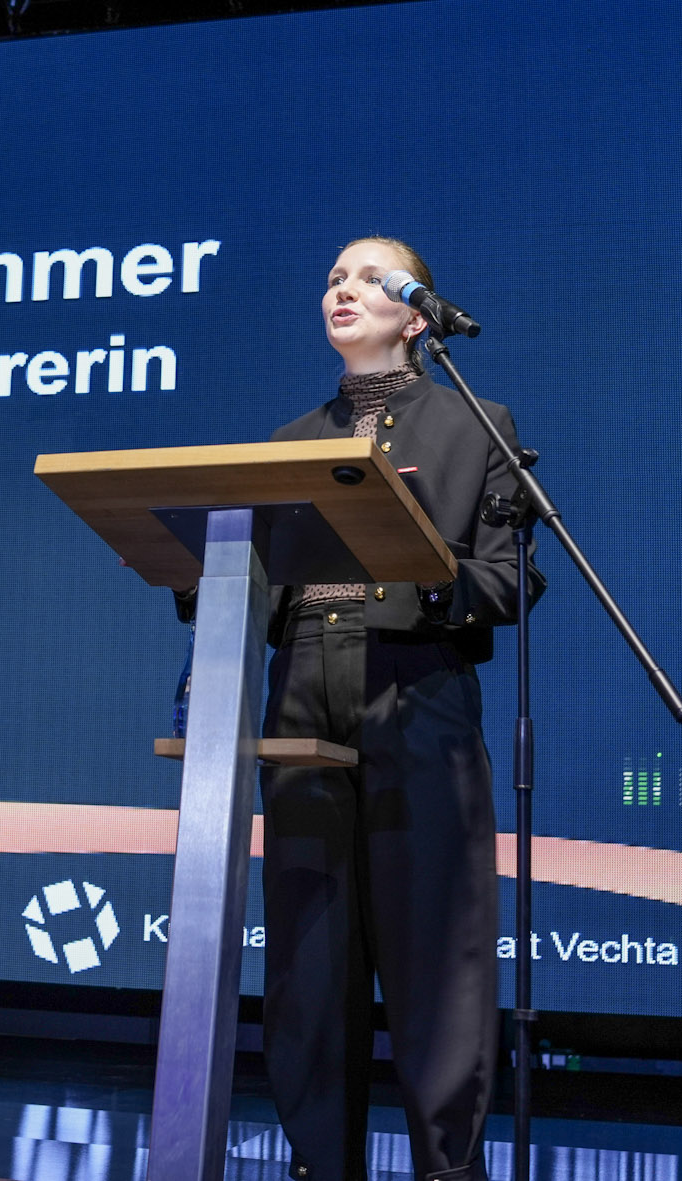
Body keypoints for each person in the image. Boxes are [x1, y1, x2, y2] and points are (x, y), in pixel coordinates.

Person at [258, 236, 542, 1181]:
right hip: (302, 689)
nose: (341, 289)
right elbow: (247, 576)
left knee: (436, 950)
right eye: (331, 277)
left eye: (366, 277)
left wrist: (422, 574)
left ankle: (446, 1165)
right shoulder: (288, 442)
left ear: (417, 315)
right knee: (308, 954)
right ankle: (317, 1159)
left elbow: (507, 579)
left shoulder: (477, 426)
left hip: (418, 686)